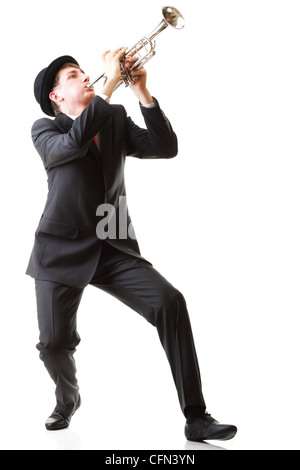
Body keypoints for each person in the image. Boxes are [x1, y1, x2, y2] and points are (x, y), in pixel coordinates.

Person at [26, 48, 237, 442]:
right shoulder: (45, 130)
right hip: (59, 251)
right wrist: (108, 84)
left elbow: (165, 147)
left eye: (85, 72)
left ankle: (196, 415)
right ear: (56, 96)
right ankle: (67, 398)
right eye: (74, 75)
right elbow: (73, 144)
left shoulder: (115, 118)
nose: (85, 76)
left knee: (170, 302)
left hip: (112, 243)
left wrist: (142, 93)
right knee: (54, 344)